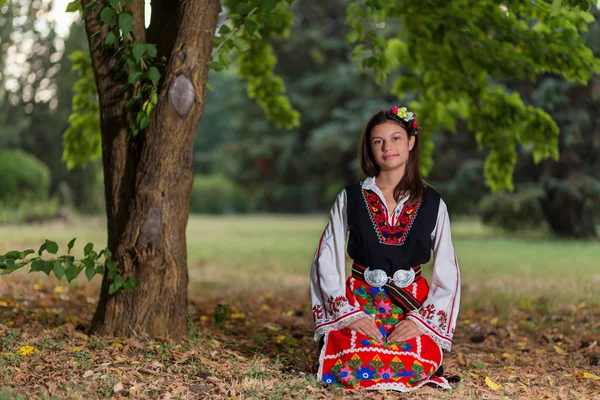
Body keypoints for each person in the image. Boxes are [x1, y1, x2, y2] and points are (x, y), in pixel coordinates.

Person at [309, 106, 461, 392]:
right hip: (360, 301)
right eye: (378, 141)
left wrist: (421, 322)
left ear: (411, 142)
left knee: (412, 362)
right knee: (355, 362)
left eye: (395, 139)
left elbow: (447, 269)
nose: (387, 147)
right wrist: (349, 314)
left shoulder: (433, 202)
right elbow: (326, 257)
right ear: (370, 148)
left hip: (411, 304)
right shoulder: (351, 197)